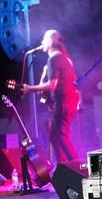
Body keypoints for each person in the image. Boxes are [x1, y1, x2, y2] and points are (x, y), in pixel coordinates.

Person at [22, 29, 79, 163]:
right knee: (54, 136)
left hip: (64, 102)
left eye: (44, 39)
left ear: (50, 41)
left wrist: (29, 88)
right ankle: (64, 167)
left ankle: (80, 168)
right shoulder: (64, 57)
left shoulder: (54, 58)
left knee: (62, 136)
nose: (41, 42)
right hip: (68, 101)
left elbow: (53, 85)